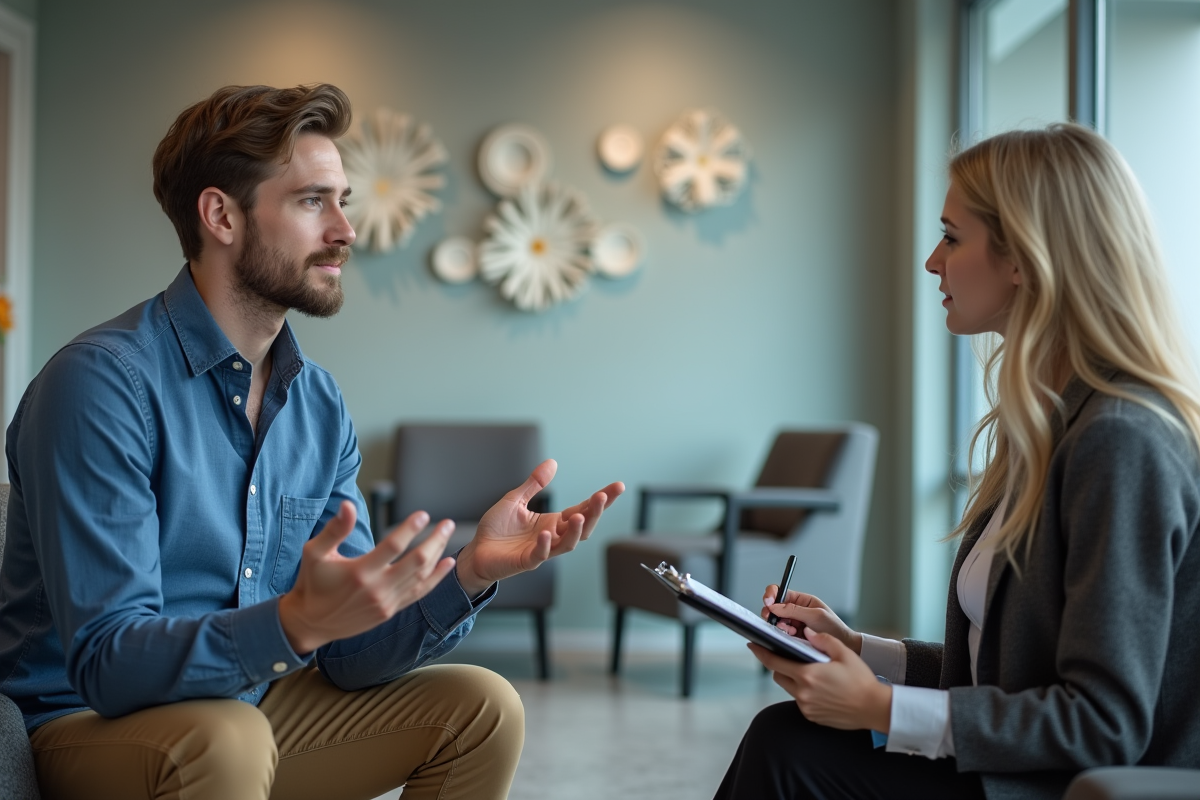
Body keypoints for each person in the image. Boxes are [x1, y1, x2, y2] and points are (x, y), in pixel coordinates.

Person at [0, 83, 624, 800]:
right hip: (89, 726)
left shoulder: (317, 402)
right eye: (311, 201)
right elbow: (109, 663)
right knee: (226, 739)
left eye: (344, 201)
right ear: (221, 216)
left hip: (252, 710)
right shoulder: (101, 385)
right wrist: (291, 624)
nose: (345, 230)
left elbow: (351, 659)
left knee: (482, 705)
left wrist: (470, 574)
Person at [713, 123, 1200, 800]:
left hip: (1066, 785)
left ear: (1024, 257)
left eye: (951, 236)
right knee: (785, 738)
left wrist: (880, 708)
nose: (931, 263)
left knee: (791, 751)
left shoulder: (1123, 441)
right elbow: (1005, 671)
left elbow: (1104, 723)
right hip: (1022, 772)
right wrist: (859, 650)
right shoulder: (1054, 422)